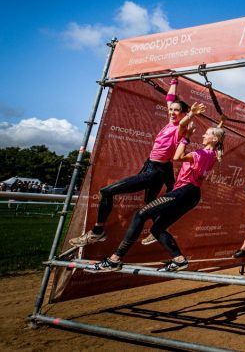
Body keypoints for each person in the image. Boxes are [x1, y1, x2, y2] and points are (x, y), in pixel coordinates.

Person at [87, 110, 225, 272]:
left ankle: (114, 260)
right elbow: (219, 136)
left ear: (213, 139)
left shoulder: (199, 154)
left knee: (140, 215)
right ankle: (179, 260)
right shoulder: (214, 155)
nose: (203, 135)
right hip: (192, 196)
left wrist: (186, 137)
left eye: (206, 134)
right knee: (156, 228)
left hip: (183, 192)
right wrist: (221, 123)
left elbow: (177, 157)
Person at [70, 78, 190, 247]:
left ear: (183, 114)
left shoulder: (180, 128)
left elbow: (184, 122)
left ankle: (97, 232)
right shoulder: (170, 123)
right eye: (171, 110)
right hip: (152, 167)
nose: (171, 112)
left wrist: (191, 114)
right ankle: (159, 230)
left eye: (177, 111)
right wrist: (173, 82)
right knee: (149, 202)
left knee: (106, 192)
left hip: (155, 172)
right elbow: (169, 99)